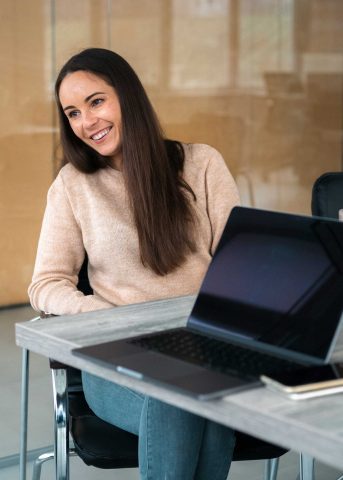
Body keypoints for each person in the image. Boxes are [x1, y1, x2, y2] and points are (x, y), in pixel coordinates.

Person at [28, 48, 240, 480]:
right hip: (117, 357)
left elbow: (240, 269)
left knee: (192, 391)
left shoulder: (201, 164)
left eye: (97, 101)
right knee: (183, 396)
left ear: (128, 96)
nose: (87, 122)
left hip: (201, 350)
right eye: (72, 112)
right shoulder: (73, 185)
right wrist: (104, 314)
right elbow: (46, 283)